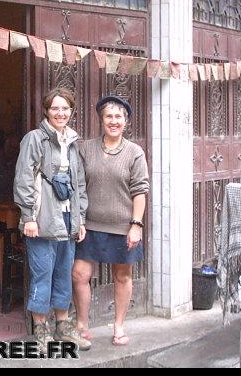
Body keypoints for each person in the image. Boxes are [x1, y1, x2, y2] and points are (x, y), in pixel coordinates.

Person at [13, 87, 91, 352]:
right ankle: (41, 331)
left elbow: (78, 183)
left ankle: (63, 328)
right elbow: (24, 178)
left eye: (65, 108)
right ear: (46, 111)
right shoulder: (34, 139)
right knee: (42, 274)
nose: (60, 113)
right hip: (42, 217)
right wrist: (28, 217)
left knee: (63, 274)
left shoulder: (72, 141)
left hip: (68, 218)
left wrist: (79, 219)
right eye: (55, 108)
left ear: (71, 111)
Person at [72, 95, 149, 346]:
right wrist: (79, 219)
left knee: (122, 277)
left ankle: (118, 326)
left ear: (126, 121)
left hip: (122, 226)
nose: (113, 121)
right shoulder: (86, 148)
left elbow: (140, 191)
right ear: (101, 120)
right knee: (79, 275)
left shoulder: (134, 152)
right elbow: (77, 185)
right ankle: (82, 325)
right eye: (108, 116)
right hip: (90, 224)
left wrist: (136, 225)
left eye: (118, 117)